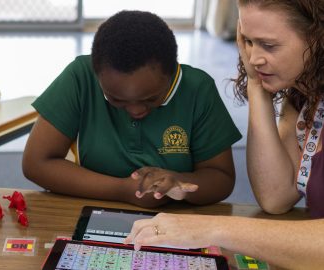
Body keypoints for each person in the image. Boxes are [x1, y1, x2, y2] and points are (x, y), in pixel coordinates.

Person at [124, 1, 324, 268]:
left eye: (269, 45)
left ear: (318, 37)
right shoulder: (305, 92)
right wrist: (255, 85)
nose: (253, 58)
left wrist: (212, 229)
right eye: (248, 41)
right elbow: (277, 196)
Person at [22, 10, 242, 208]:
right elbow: (36, 163)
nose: (136, 110)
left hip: (178, 221)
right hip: (91, 211)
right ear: (97, 75)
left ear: (173, 72)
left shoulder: (197, 88)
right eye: (116, 99)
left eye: (151, 98)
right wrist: (121, 190)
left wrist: (179, 183)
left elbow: (221, 178)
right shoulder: (80, 77)